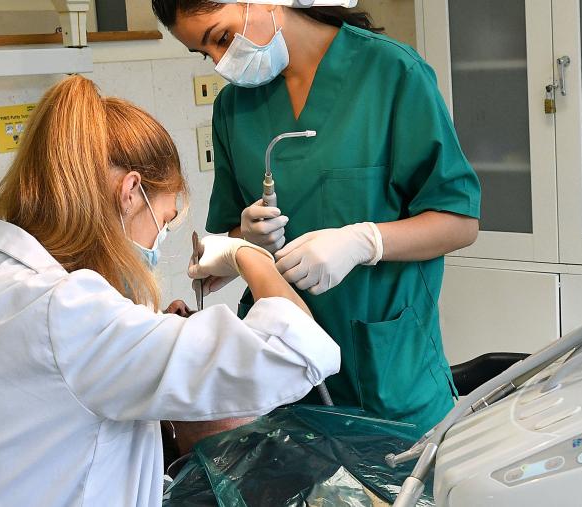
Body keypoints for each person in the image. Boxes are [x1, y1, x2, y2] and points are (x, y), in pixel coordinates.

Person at [0, 75, 339, 507]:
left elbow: (68, 381)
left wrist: (149, 336)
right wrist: (248, 254)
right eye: (163, 222)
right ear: (130, 192)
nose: (158, 239)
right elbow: (301, 348)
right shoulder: (67, 312)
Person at [153, 0, 481, 435]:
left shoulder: (392, 74)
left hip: (385, 372)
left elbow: (459, 220)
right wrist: (247, 238)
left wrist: (364, 242)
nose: (218, 62)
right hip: (280, 369)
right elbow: (233, 230)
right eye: (203, 53)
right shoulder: (234, 107)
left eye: (222, 37)